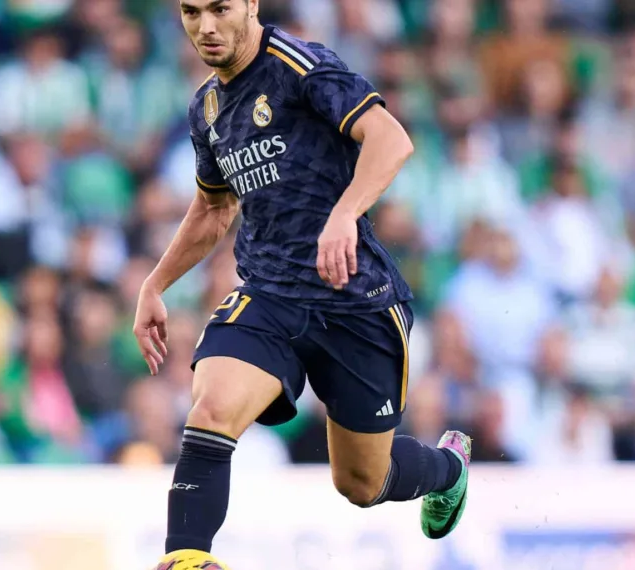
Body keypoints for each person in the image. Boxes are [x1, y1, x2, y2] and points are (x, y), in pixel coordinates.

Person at [132, 0, 471, 564]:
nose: (206, 27)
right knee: (211, 408)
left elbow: (391, 139)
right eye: (192, 12)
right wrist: (155, 284)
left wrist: (343, 215)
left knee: (362, 482)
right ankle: (186, 558)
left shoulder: (297, 64)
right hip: (269, 293)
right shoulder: (208, 108)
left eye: (220, 9)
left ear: (250, 5)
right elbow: (214, 210)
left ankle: (447, 469)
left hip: (352, 298)